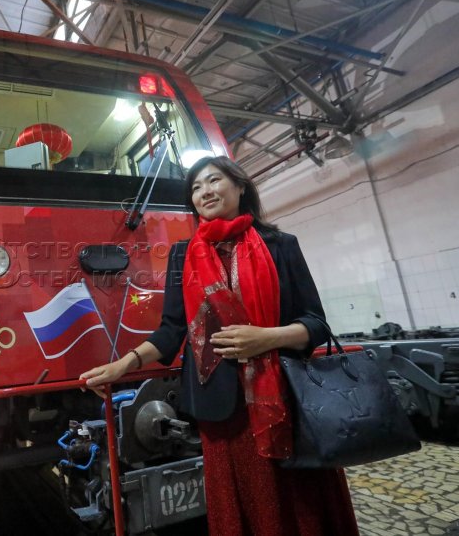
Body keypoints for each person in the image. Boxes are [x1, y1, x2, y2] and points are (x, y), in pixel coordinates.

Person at [80, 156, 359, 535]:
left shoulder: (281, 245)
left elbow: (317, 325)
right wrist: (125, 364)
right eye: (196, 187)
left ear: (240, 186)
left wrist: (266, 337)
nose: (205, 191)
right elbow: (171, 331)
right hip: (222, 409)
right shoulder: (183, 255)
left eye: (214, 181)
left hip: (285, 402)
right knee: (242, 509)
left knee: (300, 507)